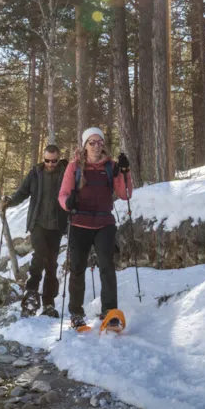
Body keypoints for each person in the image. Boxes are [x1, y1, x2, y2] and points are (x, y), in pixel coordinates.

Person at [58, 127, 132, 331]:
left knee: (107, 267)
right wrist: (68, 203)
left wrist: (125, 172)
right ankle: (76, 313)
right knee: (77, 269)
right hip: (79, 223)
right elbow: (63, 195)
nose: (96, 146)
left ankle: (110, 312)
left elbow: (125, 194)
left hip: (104, 223)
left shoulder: (111, 166)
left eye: (100, 142)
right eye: (92, 142)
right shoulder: (74, 167)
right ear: (85, 145)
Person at [1, 144, 69, 318]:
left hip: (57, 225)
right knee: (39, 256)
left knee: (52, 264)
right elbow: (22, 192)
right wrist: (10, 201)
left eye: (54, 161)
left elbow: (74, 193)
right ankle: (31, 294)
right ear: (43, 158)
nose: (50, 164)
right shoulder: (35, 173)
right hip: (37, 224)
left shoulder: (66, 173)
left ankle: (48, 303)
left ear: (58, 159)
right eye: (47, 160)